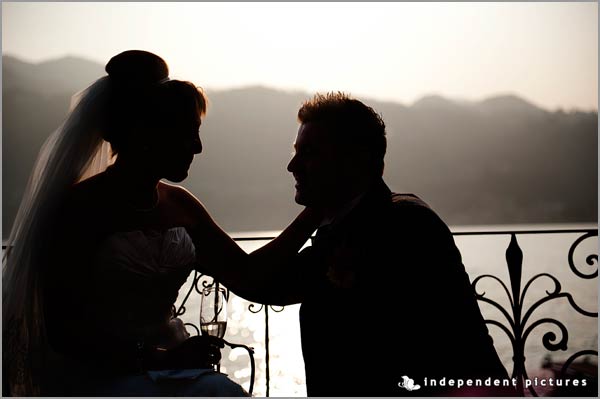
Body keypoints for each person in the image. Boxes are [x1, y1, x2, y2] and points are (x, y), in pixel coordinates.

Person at [1, 50, 320, 396]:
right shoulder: (80, 209)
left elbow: (247, 273)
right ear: (148, 134)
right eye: (188, 133)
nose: (198, 147)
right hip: (97, 377)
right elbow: (62, 332)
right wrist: (158, 357)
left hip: (172, 370)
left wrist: (314, 215)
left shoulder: (180, 205)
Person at [203, 92, 514, 396]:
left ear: (354, 160)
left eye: (309, 153)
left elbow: (263, 283)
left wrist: (193, 232)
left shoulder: (400, 225)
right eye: (296, 151)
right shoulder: (359, 222)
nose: (292, 166)